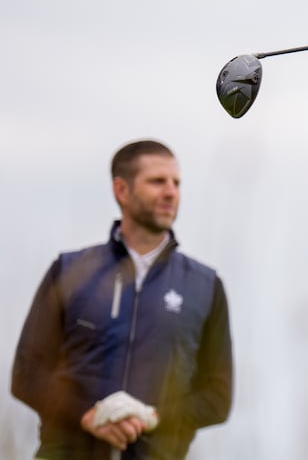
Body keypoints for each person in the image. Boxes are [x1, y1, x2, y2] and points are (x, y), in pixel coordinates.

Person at [12, 140, 234, 459]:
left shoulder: (205, 285)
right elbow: (27, 375)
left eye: (177, 183)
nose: (171, 192)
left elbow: (217, 397)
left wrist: (151, 418)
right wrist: (87, 416)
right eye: (157, 181)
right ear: (122, 190)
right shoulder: (69, 271)